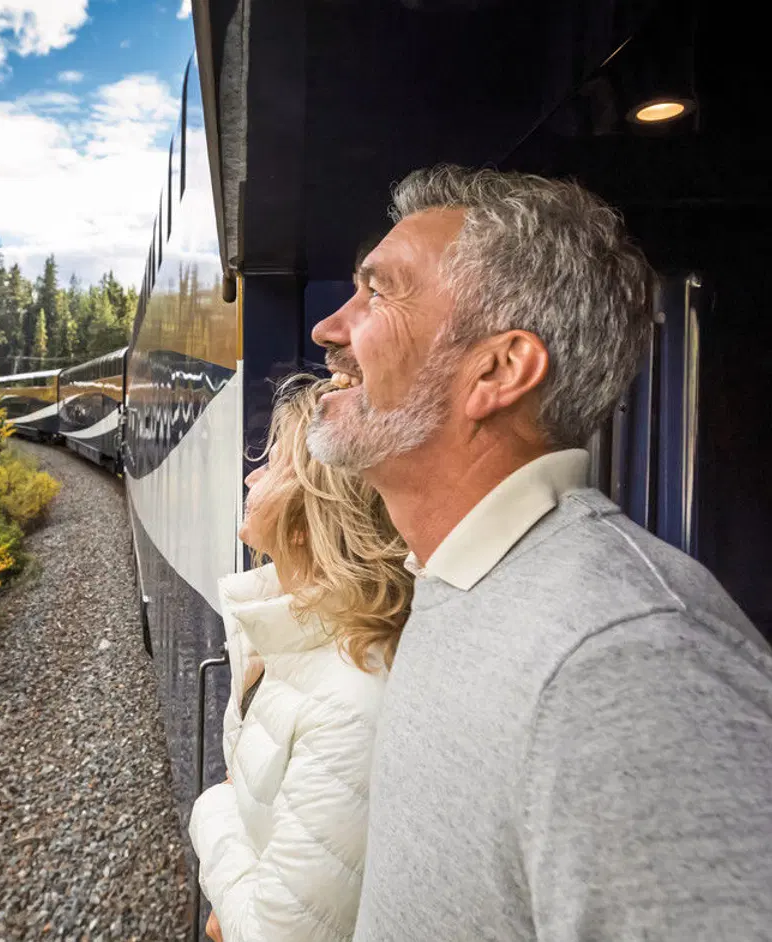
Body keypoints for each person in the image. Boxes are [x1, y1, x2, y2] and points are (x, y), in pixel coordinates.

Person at [306, 164, 772, 940]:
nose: (329, 329)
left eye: (379, 293)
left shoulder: (626, 662)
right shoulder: (463, 583)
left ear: (497, 370)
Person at [188, 378, 413, 942]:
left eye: (272, 466)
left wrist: (211, 809)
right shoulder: (288, 639)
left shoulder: (351, 699)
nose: (251, 477)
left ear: (305, 518)